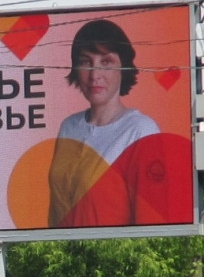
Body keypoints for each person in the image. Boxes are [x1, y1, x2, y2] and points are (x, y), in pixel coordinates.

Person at [47, 18, 165, 228]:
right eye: (86, 62)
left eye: (106, 62)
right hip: (61, 247)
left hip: (112, 248)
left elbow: (151, 219)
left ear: (123, 68)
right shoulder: (68, 127)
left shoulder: (140, 131)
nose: (95, 75)